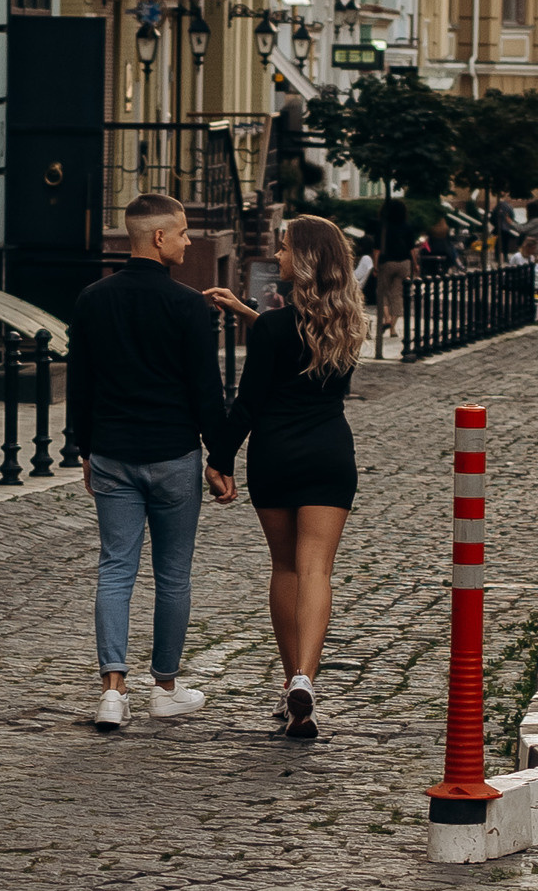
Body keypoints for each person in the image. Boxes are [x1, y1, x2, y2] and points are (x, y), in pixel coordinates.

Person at [64, 192, 241, 732]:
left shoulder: (93, 299)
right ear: (159, 237)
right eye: (184, 233)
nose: (189, 241)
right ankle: (164, 687)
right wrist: (222, 456)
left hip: (114, 452)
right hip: (173, 455)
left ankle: (112, 692)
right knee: (173, 574)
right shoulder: (189, 305)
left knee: (115, 569)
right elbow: (205, 391)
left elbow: (81, 382)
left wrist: (85, 448)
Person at [218, 213, 366, 742]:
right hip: (330, 453)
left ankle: (289, 685)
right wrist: (250, 315)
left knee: (284, 568)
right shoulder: (349, 322)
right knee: (317, 571)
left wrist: (219, 458)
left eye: (283, 249)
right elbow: (299, 343)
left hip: (275, 455)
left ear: (302, 259)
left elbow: (249, 402)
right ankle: (306, 676)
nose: (277, 256)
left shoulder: (276, 327)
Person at [372, 206, 413, 359]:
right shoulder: (407, 227)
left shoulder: (382, 227)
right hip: (403, 263)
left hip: (386, 263)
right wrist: (414, 265)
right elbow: (412, 249)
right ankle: (393, 329)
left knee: (382, 292)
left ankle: (387, 319)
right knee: (397, 294)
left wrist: (376, 266)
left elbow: (376, 249)